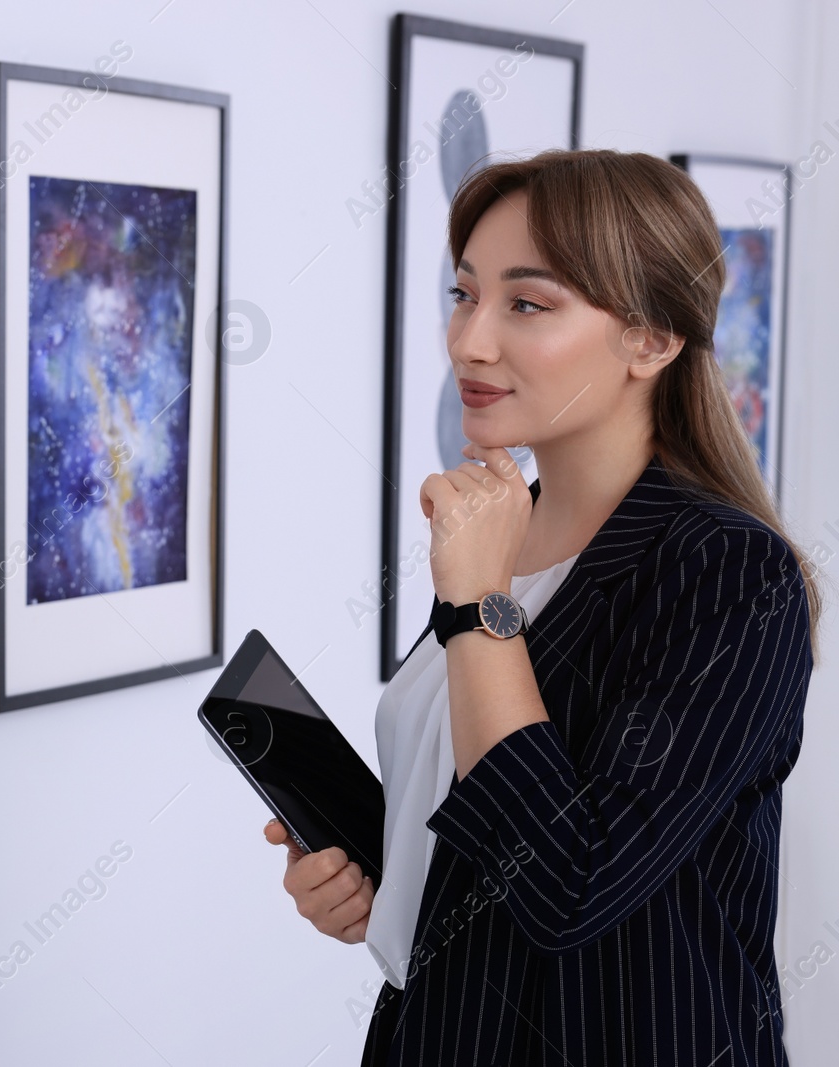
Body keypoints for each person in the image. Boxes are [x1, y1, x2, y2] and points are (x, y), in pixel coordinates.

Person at [264, 148, 821, 1065]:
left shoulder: (727, 573)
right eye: (464, 294)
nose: (470, 340)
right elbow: (478, 822)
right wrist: (374, 876)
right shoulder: (500, 531)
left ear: (653, 338)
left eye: (527, 303)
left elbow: (571, 883)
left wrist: (479, 603)